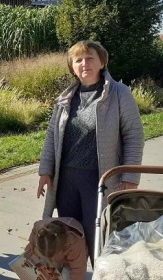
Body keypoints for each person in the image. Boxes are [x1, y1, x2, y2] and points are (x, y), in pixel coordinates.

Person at [36, 40, 144, 264]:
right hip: (66, 180)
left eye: (90, 58)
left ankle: (102, 275)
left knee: (100, 239)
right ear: (72, 67)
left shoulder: (119, 93)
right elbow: (51, 137)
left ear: (102, 62)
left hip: (100, 179)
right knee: (68, 238)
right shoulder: (66, 98)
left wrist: (130, 177)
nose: (84, 63)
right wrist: (45, 171)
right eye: (78, 60)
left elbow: (134, 135)